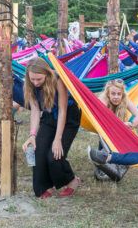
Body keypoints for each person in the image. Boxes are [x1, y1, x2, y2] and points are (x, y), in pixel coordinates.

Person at [22, 57, 81, 199]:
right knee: (38, 151)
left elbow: (62, 111)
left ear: (47, 74)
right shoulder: (29, 84)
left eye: (39, 79)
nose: (35, 83)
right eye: (32, 79)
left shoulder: (58, 79)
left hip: (68, 117)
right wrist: (32, 135)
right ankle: (46, 186)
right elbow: (36, 111)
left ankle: (72, 180)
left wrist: (57, 139)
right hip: (48, 116)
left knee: (54, 155)